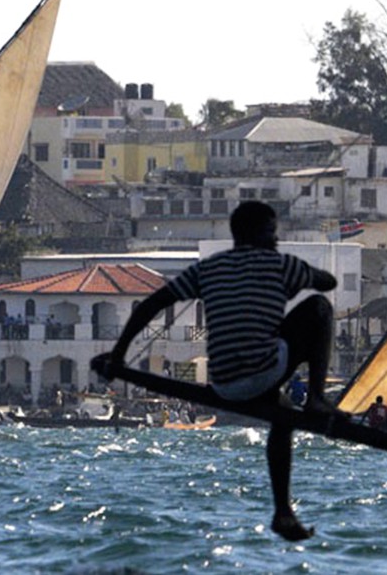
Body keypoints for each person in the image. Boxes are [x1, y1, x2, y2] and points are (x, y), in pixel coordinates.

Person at [98, 200, 339, 542]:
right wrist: (304, 277)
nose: (275, 240)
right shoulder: (282, 264)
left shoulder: (208, 268)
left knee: (283, 412)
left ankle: (284, 515)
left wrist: (119, 357)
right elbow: (326, 283)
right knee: (318, 308)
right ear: (258, 234)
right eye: (271, 234)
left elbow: (151, 304)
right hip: (265, 371)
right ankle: (316, 398)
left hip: (224, 383)